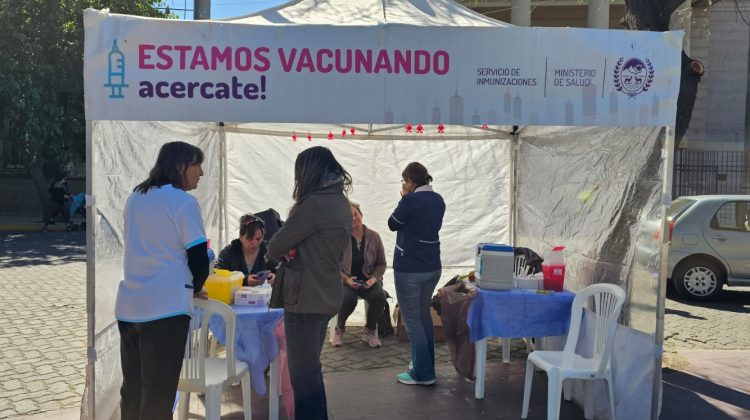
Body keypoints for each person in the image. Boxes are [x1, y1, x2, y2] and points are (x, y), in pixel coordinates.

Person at [115, 141, 210, 420]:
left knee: (133, 389)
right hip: (166, 310)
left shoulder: (136, 197)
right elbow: (198, 256)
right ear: (180, 166)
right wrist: (197, 286)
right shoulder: (183, 202)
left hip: (130, 308)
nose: (201, 173)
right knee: (159, 395)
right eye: (197, 165)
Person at [267, 146, 352, 420]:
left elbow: (274, 246)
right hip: (326, 292)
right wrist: (296, 246)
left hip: (305, 297)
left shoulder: (314, 204)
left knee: (304, 377)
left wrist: (290, 247)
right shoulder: (339, 200)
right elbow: (315, 244)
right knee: (310, 370)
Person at [388, 162, 445, 386]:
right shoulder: (438, 199)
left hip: (410, 267)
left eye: (404, 181)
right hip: (432, 266)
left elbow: (393, 223)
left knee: (412, 320)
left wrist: (403, 198)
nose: (403, 185)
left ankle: (422, 374)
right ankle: (424, 364)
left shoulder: (410, 200)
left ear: (411, 182)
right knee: (423, 317)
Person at [332, 201, 387, 348]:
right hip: (347, 281)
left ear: (361, 215)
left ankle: (369, 330)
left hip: (368, 280)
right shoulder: (340, 239)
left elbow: (381, 263)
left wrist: (374, 279)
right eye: (349, 217)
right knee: (348, 299)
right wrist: (346, 280)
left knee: (379, 297)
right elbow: (333, 266)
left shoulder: (374, 236)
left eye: (355, 214)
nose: (353, 218)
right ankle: (340, 328)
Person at [215, 213, 277, 286]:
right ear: (241, 237)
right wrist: (244, 280)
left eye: (258, 239)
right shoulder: (228, 253)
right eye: (250, 239)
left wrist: (275, 276)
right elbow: (218, 275)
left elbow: (278, 268)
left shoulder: (268, 251)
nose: (254, 243)